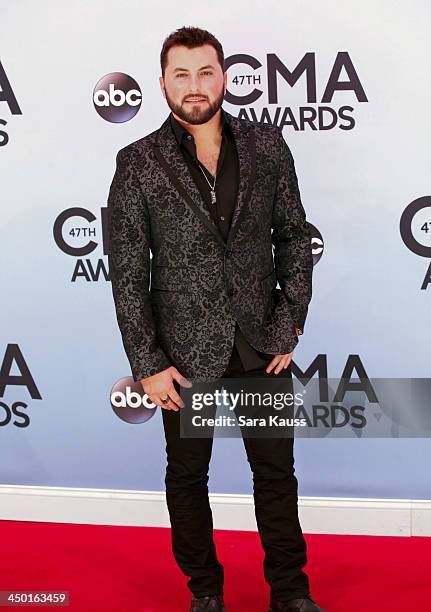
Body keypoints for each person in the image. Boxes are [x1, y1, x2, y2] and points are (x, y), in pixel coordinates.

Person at [107, 26, 324, 612]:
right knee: (187, 480)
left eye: (205, 72)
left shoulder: (267, 145)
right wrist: (148, 364)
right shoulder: (137, 163)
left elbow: (294, 240)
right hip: (181, 354)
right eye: (181, 74)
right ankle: (205, 590)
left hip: (260, 344)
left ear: (224, 77)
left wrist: (288, 325)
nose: (194, 86)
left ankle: (290, 591)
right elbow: (127, 272)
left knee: (277, 478)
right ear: (162, 84)